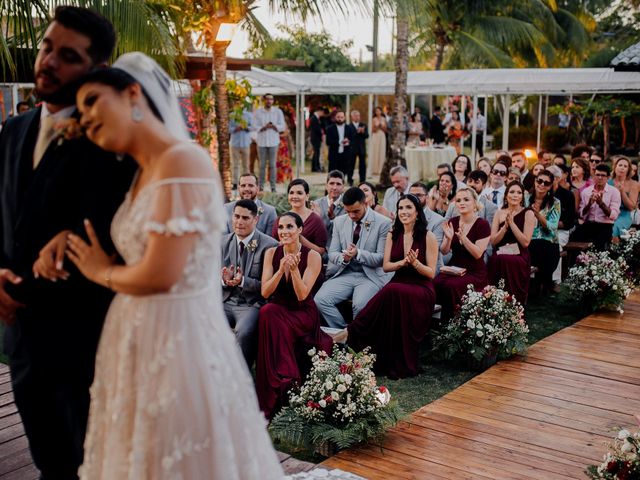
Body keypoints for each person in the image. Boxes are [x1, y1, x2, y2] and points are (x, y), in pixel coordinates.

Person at [67, 53, 283, 478]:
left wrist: (98, 272)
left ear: (132, 93)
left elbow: (160, 274)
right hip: (134, 335)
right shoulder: (141, 174)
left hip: (177, 339)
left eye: (92, 100)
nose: (85, 117)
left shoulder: (182, 161)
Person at [0, 8, 136, 479]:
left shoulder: (112, 140)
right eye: (46, 47)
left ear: (96, 67)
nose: (48, 61)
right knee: (48, 460)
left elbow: (121, 235)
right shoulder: (12, 131)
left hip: (82, 338)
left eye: (68, 55)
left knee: (87, 464)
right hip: (18, 334)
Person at [341, 194, 438, 379]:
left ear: (417, 212)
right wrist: (402, 263)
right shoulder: (393, 235)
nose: (404, 212)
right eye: (401, 208)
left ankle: (349, 331)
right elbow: (386, 266)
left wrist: (415, 263)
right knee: (390, 293)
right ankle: (356, 332)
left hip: (421, 288)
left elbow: (431, 273)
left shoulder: (428, 236)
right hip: (398, 283)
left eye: (409, 208)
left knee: (391, 291)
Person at [256, 212, 333, 419]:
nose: (284, 232)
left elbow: (302, 295)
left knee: (273, 316)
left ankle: (287, 379)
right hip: (280, 309)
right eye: (281, 228)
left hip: (303, 313)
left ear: (300, 230)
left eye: (289, 227)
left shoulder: (313, 256)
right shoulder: (272, 253)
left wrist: (295, 270)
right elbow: (265, 292)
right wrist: (281, 270)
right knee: (267, 311)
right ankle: (278, 380)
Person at [314, 187, 392, 328]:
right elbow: (332, 253)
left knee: (360, 305)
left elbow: (381, 259)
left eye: (356, 211)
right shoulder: (339, 221)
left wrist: (359, 253)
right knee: (320, 299)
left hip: (370, 276)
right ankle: (344, 333)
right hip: (345, 272)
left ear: (365, 204)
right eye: (347, 211)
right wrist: (344, 258)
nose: (351, 215)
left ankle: (358, 343)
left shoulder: (383, 223)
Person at [222, 199, 279, 368]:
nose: (239, 222)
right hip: (224, 301)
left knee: (244, 332)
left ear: (255, 220)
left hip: (251, 304)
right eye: (236, 216)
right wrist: (223, 280)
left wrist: (243, 281)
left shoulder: (270, 245)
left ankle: (241, 379)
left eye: (245, 218)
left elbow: (269, 287)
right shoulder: (221, 243)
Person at [435, 188, 491, 322]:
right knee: (436, 282)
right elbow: (444, 251)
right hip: (455, 268)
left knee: (452, 286)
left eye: (466, 199)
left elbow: (478, 254)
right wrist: (448, 239)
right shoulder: (452, 222)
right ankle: (438, 322)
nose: (462, 203)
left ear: (474, 203)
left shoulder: (482, 224)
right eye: (458, 200)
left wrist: (464, 238)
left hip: (474, 271)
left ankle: (456, 322)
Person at [488, 181, 535, 305]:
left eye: (519, 192)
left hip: (519, 254)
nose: (515, 195)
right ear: (506, 195)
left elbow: (525, 243)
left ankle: (513, 303)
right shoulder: (499, 213)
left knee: (507, 260)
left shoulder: (528, 213)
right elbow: (493, 241)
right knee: (496, 259)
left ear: (522, 197)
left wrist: (512, 224)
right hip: (500, 251)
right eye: (512, 192)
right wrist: (505, 227)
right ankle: (495, 302)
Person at [527, 170, 561, 296]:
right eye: (539, 181)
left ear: (551, 186)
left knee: (542, 246)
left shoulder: (555, 203)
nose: (542, 184)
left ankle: (541, 283)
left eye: (546, 183)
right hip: (529, 239)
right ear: (535, 181)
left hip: (548, 241)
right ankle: (536, 285)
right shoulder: (525, 198)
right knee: (535, 245)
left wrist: (537, 214)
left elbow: (552, 227)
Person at [571, 163, 621, 250]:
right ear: (594, 176)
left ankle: (597, 262)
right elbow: (582, 214)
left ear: (608, 177)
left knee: (599, 244)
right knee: (574, 238)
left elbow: (613, 215)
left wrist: (601, 204)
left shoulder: (614, 192)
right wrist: (589, 204)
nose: (600, 178)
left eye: (603, 175)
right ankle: (575, 262)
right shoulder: (586, 191)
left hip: (605, 225)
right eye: (598, 175)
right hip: (589, 224)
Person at [272, 179, 327, 255]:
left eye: (299, 193)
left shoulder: (316, 220)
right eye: (291, 193)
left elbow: (321, 251)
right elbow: (274, 245)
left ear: (307, 196)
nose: (295, 196)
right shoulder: (281, 219)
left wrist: (299, 238)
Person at [550, 165, 576, 289]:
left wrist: (554, 223)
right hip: (542, 229)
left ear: (557, 179)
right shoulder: (541, 193)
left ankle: (556, 281)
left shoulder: (567, 195)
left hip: (561, 231)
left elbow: (570, 221)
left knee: (556, 245)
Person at [253, 93, 285, 192]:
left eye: (271, 99)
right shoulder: (258, 112)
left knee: (272, 165)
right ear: (264, 100)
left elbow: (282, 126)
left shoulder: (278, 112)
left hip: (273, 141)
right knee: (262, 165)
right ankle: (261, 187)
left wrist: (274, 126)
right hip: (261, 142)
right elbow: (255, 126)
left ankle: (273, 187)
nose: (269, 101)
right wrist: (264, 127)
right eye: (267, 99)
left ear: (273, 101)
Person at [608, 155, 639, 242]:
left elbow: (631, 207)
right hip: (608, 213)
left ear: (628, 170)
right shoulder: (608, 182)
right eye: (620, 165)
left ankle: (613, 252)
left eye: (625, 166)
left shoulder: (634, 184)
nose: (622, 168)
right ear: (615, 167)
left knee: (614, 227)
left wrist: (622, 192)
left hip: (623, 214)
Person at [312, 170, 346, 244]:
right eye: (331, 183)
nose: (334, 187)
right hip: (320, 246)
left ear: (343, 187)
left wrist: (333, 218)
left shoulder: (348, 205)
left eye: (338, 184)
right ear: (326, 186)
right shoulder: (316, 204)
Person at [229, 108, 253, 189]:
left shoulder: (249, 115)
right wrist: (236, 128)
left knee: (246, 165)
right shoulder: (232, 115)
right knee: (235, 164)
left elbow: (252, 127)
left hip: (246, 143)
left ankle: (247, 183)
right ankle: (235, 183)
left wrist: (245, 127)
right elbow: (228, 129)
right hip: (235, 143)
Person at [349, 109, 369, 185]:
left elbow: (367, 136)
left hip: (361, 148)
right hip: (352, 148)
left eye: (358, 116)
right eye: (356, 116)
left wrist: (363, 132)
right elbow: (349, 137)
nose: (357, 117)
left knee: (362, 166)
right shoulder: (349, 126)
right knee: (351, 165)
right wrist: (357, 132)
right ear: (352, 117)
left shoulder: (363, 125)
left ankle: (362, 180)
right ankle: (350, 180)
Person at [369, 106, 387, 177]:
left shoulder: (384, 119)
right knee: (375, 151)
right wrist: (377, 126)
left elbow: (386, 130)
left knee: (381, 151)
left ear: (381, 111)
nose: (378, 112)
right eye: (376, 111)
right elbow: (372, 130)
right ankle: (374, 169)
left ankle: (380, 169)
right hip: (376, 136)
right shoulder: (374, 119)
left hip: (382, 136)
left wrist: (381, 126)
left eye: (379, 111)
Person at [309, 106, 324, 172]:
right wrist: (321, 133)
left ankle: (314, 167)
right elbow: (316, 129)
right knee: (316, 153)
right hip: (315, 138)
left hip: (316, 138)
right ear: (319, 111)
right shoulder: (313, 118)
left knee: (316, 153)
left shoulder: (316, 118)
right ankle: (316, 167)